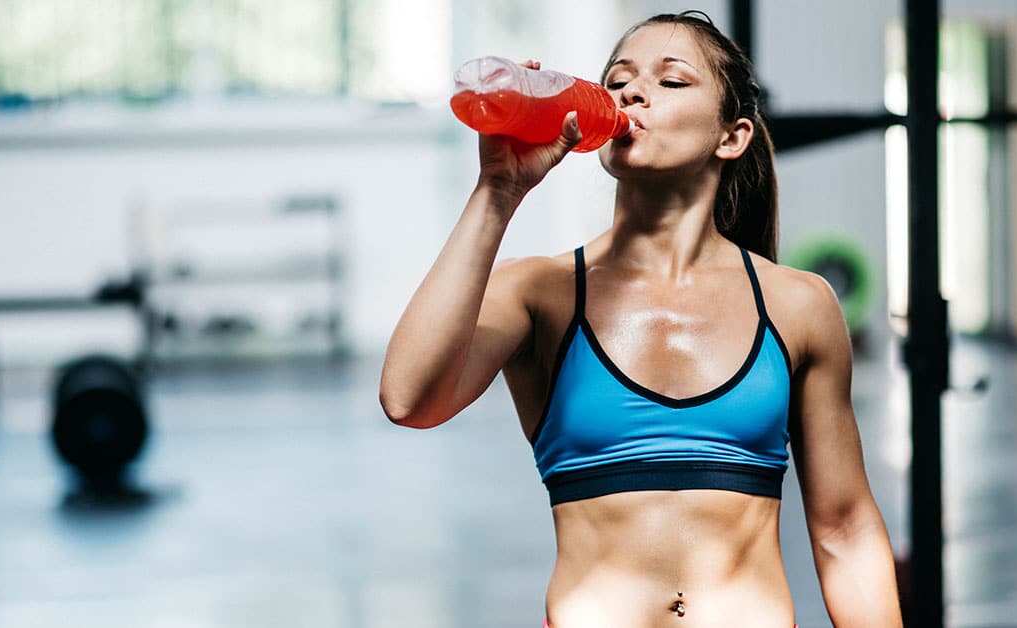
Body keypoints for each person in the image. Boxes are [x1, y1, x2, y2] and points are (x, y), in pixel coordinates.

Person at [379, 11, 902, 627]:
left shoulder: (797, 305)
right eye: (618, 80)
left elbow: (844, 530)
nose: (630, 93)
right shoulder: (541, 292)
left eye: (672, 80)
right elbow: (409, 399)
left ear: (730, 137)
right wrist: (497, 189)